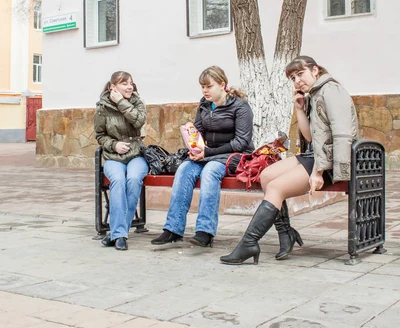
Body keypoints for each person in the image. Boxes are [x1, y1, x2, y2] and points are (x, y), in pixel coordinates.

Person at [220, 55, 358, 265]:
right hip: (315, 155)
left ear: (315, 70)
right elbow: (310, 137)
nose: (297, 81)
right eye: (293, 78)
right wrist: (299, 108)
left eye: (300, 74)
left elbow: (342, 134)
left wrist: (319, 172)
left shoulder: (331, 90)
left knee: (275, 187)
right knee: (265, 175)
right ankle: (286, 233)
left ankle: (249, 243)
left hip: (332, 161)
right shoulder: (313, 94)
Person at [151, 66, 254, 248]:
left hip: (234, 155)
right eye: (202, 87)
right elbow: (197, 130)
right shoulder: (205, 104)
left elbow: (241, 142)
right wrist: (194, 147)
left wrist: (208, 152)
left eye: (209, 86)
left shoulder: (240, 107)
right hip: (208, 154)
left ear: (222, 85)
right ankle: (173, 229)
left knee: (210, 171)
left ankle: (205, 231)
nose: (205, 90)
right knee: (184, 169)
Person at [94, 71, 148, 251]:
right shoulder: (102, 107)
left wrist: (121, 102)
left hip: (136, 155)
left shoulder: (137, 102)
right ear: (112, 87)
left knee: (133, 180)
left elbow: (139, 121)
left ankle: (117, 234)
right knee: (117, 181)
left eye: (130, 83)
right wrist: (114, 145)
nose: (129, 86)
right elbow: (100, 135)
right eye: (124, 83)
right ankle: (120, 234)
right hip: (114, 157)